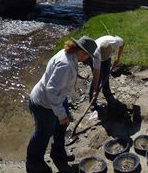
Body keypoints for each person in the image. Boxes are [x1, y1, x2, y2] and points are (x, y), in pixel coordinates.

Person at [26, 36, 97, 173]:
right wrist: (60, 113)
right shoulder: (65, 64)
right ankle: (33, 163)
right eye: (88, 56)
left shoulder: (70, 54)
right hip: (43, 103)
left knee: (62, 125)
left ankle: (57, 153)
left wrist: (62, 115)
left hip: (57, 97)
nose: (87, 59)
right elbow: (51, 91)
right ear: (83, 52)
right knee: (43, 133)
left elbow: (57, 86)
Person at [88, 35, 124, 105]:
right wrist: (96, 89)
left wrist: (117, 58)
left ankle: (106, 90)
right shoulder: (96, 54)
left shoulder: (116, 42)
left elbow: (122, 45)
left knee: (106, 73)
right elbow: (96, 72)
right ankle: (92, 99)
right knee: (99, 77)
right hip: (94, 56)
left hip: (106, 55)